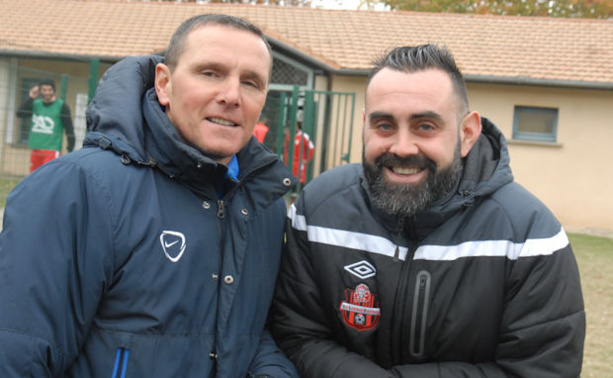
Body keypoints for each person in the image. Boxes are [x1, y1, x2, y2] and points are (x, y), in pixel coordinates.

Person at [0, 14, 298, 377]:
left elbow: (251, 334)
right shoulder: (77, 189)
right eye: (210, 73)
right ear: (164, 84)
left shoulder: (264, 206)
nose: (232, 96)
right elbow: (18, 354)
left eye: (251, 83)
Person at [272, 44, 585, 377]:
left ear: (467, 134)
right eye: (384, 125)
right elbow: (295, 334)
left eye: (425, 126)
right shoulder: (319, 210)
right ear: (364, 125)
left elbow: (543, 369)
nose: (402, 147)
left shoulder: (529, 236)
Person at [16, 78, 75, 172]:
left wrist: (70, 147)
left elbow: (69, 128)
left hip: (52, 149)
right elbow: (20, 113)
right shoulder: (35, 104)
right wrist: (31, 97)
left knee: (48, 176)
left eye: (49, 90)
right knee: (34, 177)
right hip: (36, 148)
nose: (47, 92)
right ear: (40, 91)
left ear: (54, 90)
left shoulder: (62, 106)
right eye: (44, 90)